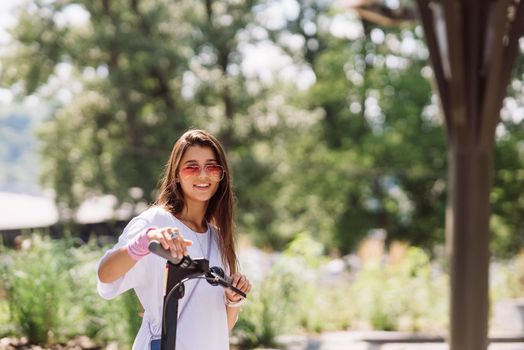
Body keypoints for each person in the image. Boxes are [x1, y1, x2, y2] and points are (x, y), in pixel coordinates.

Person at [97, 129, 252, 350]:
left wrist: (233, 298)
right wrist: (144, 242)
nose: (202, 175)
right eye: (191, 167)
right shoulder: (155, 221)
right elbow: (105, 275)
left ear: (221, 175)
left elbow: (220, 328)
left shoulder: (219, 238)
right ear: (176, 174)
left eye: (211, 166)